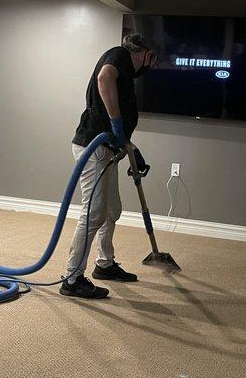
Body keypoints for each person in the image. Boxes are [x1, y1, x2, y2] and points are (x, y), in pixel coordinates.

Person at [60, 34, 160, 299]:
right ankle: (72, 279)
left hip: (107, 149)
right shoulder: (119, 54)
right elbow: (103, 79)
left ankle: (104, 264)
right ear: (146, 55)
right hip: (93, 148)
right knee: (93, 213)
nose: (150, 67)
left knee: (112, 209)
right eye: (152, 61)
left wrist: (131, 148)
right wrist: (117, 124)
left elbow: (114, 118)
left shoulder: (125, 69)